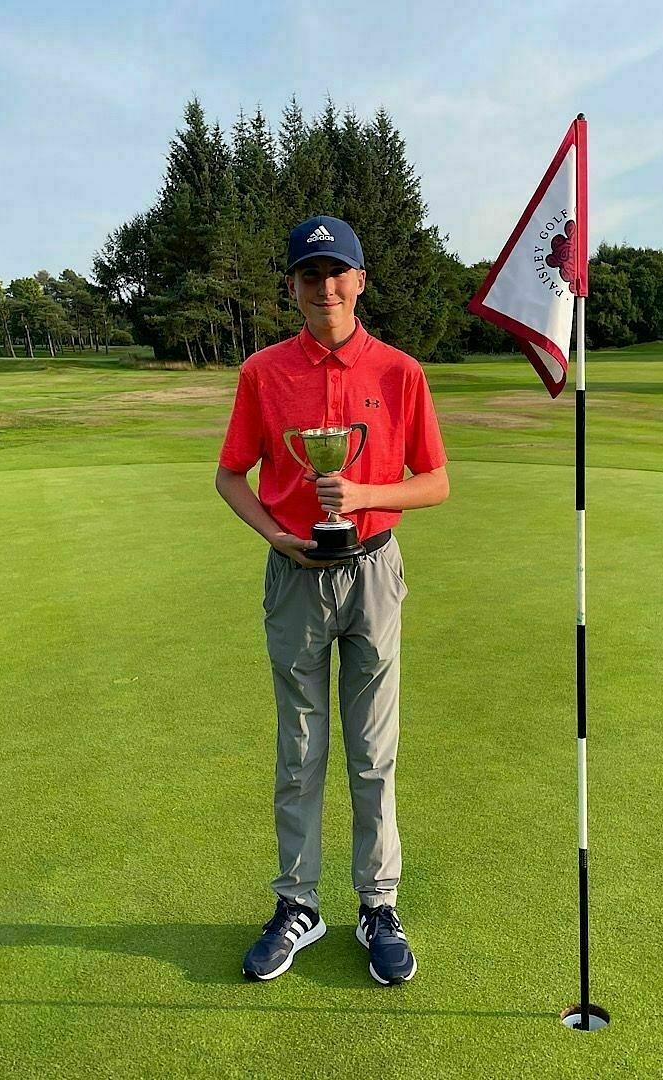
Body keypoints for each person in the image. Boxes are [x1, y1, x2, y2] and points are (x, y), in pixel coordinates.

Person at [215, 215, 449, 986]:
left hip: (376, 570)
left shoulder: (400, 371)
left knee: (374, 753)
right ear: (293, 287)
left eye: (336, 273)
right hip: (296, 576)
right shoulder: (263, 372)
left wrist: (363, 491)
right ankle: (297, 904)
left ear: (360, 281)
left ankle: (377, 905)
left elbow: (435, 481)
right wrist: (275, 538)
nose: (325, 288)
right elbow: (230, 476)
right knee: (301, 749)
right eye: (310, 276)